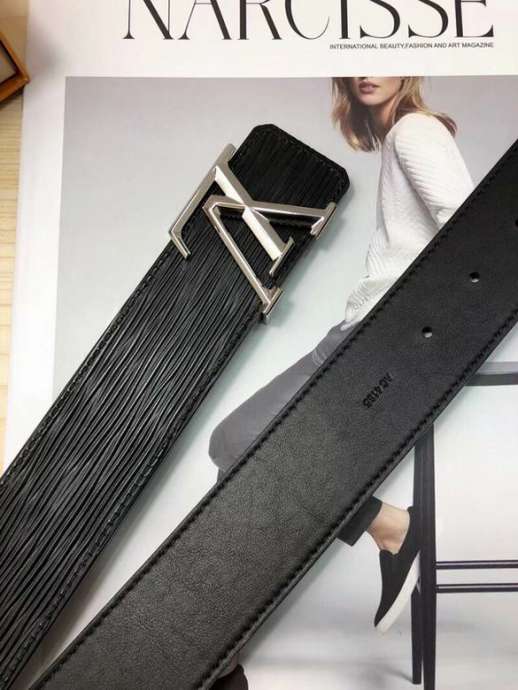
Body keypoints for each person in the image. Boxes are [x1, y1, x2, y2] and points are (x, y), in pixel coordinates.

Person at [211, 76, 474, 689]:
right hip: (366, 332)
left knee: (240, 441)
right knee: (241, 467)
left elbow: (473, 237)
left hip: (378, 336)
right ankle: (220, 658)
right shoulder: (404, 138)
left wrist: (414, 331)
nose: (367, 70)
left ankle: (391, 526)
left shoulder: (413, 130)